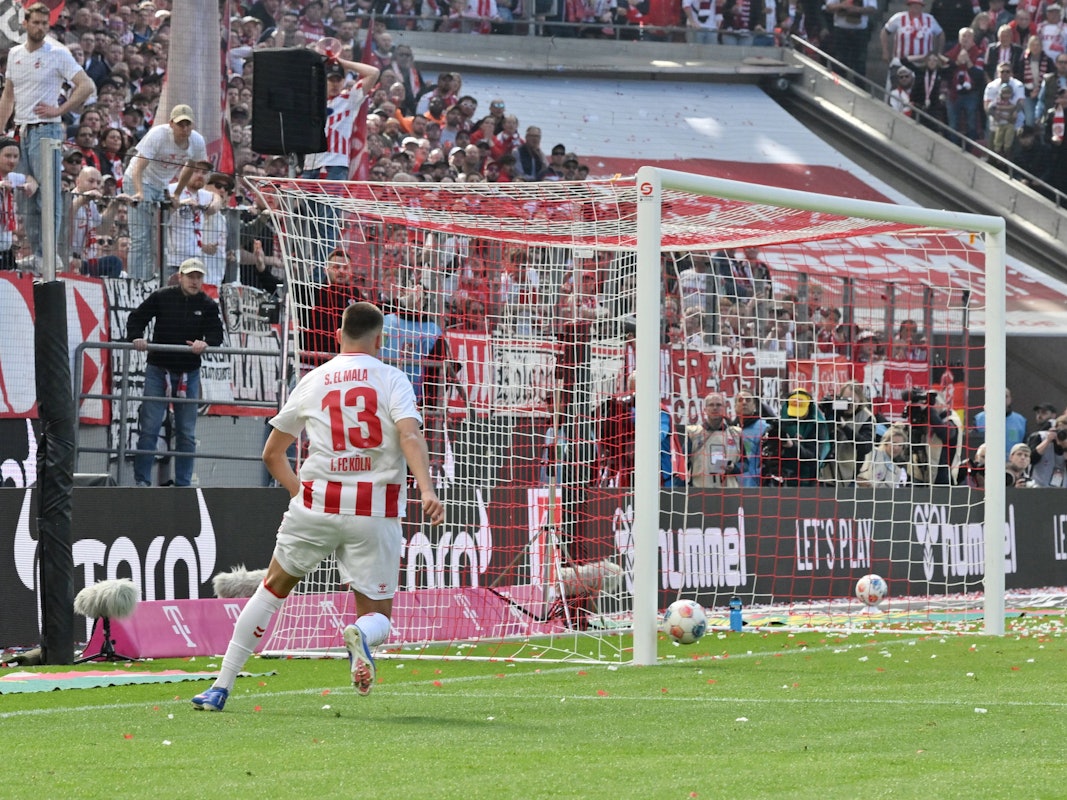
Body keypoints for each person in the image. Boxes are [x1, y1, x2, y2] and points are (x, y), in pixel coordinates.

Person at [191, 302, 444, 711]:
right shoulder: (392, 378)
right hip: (373, 511)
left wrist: (300, 494)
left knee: (271, 590)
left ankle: (220, 687)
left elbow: (272, 455)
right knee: (377, 616)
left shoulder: (314, 379)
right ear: (379, 340)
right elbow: (410, 436)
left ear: (337, 335)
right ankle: (361, 636)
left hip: (316, 507)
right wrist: (427, 489)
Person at [0, 3, 94, 269]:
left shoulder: (58, 53)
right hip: (21, 130)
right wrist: (0, 131)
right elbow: (8, 95)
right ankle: (39, 253)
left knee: (47, 195)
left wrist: (60, 109)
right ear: (25, 23)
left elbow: (86, 85)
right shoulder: (15, 54)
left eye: (45, 23)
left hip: (46, 129)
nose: (41, 27)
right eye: (37, 22)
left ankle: (50, 253)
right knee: (26, 194)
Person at [125, 258, 224, 487]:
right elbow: (136, 318)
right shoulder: (162, 296)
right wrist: (136, 337)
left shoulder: (208, 305)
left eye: (199, 277)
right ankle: (142, 482)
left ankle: (183, 485)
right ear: (180, 277)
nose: (195, 281)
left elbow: (217, 335)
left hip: (188, 373)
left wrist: (205, 342)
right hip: (158, 370)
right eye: (191, 276)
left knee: (187, 433)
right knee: (149, 428)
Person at [123, 104, 209, 279]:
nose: (184, 129)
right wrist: (139, 192)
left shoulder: (197, 141)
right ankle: (136, 281)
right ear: (171, 124)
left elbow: (191, 166)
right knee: (141, 236)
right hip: (140, 179)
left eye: (188, 125)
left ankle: (152, 278)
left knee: (158, 237)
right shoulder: (158, 135)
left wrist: (177, 193)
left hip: (161, 184)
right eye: (180, 124)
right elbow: (138, 167)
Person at [69, 165, 125, 277]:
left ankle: (105, 293)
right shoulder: (69, 198)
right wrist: (82, 199)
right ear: (78, 182)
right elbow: (65, 220)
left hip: (84, 260)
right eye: (91, 181)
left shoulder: (91, 204)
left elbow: (102, 228)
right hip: (66, 258)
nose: (95, 186)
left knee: (114, 263)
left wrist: (115, 204)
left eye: (99, 183)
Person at [687, 392, 743, 488]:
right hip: (700, 490)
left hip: (730, 492)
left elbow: (745, 464)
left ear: (724, 409)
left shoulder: (736, 434)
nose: (715, 408)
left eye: (718, 405)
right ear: (705, 409)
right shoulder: (693, 433)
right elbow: (683, 464)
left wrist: (734, 468)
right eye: (711, 405)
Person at [880, 0, 945, 79]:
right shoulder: (899, 17)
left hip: (922, 65)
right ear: (909, 5)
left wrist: (939, 53)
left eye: (918, 4)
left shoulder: (930, 19)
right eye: (913, 4)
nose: (915, 6)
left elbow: (940, 34)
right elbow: (885, 31)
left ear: (922, 6)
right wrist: (885, 51)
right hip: (900, 63)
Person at [0, 137, 38, 271]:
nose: (12, 160)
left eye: (16, 156)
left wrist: (30, 186)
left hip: (6, 249)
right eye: (7, 156)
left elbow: (30, 179)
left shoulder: (12, 177)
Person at [825, 0, 879, 78]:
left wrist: (856, 9)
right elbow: (829, 7)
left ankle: (859, 87)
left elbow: (873, 8)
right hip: (840, 31)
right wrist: (842, 6)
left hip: (860, 32)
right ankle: (838, 85)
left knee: (860, 63)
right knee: (839, 61)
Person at [973, 387, 1028, 460]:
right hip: (987, 464)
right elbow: (973, 444)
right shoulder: (979, 419)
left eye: (1005, 396)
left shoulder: (1021, 421)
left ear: (1010, 399)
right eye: (998, 395)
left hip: (1011, 466)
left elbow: (1025, 446)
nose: (1002, 399)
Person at [856, 424, 910, 488]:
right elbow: (858, 479)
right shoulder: (872, 454)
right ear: (886, 442)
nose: (896, 448)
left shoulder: (898, 470)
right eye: (894, 443)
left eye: (900, 445)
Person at [734, 390, 769, 487]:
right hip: (731, 485)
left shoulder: (764, 428)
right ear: (734, 406)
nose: (744, 402)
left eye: (748, 400)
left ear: (754, 406)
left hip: (755, 485)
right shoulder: (729, 430)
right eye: (740, 400)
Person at [1026, 413, 1067, 487]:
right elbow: (1031, 459)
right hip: (1038, 486)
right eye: (1062, 431)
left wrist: (1065, 447)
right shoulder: (1040, 437)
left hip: (1062, 490)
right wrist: (1048, 440)